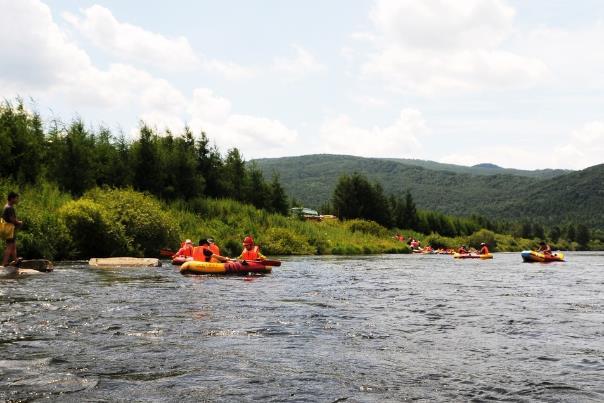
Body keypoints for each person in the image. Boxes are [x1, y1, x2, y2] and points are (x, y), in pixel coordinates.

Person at [2, 192, 23, 267]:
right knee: (10, 246)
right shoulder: (9, 208)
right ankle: (4, 263)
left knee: (13, 246)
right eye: (16, 198)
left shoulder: (7, 206)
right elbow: (12, 220)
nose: (17, 200)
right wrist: (19, 222)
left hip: (9, 229)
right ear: (11, 198)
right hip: (9, 230)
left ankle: (15, 260)